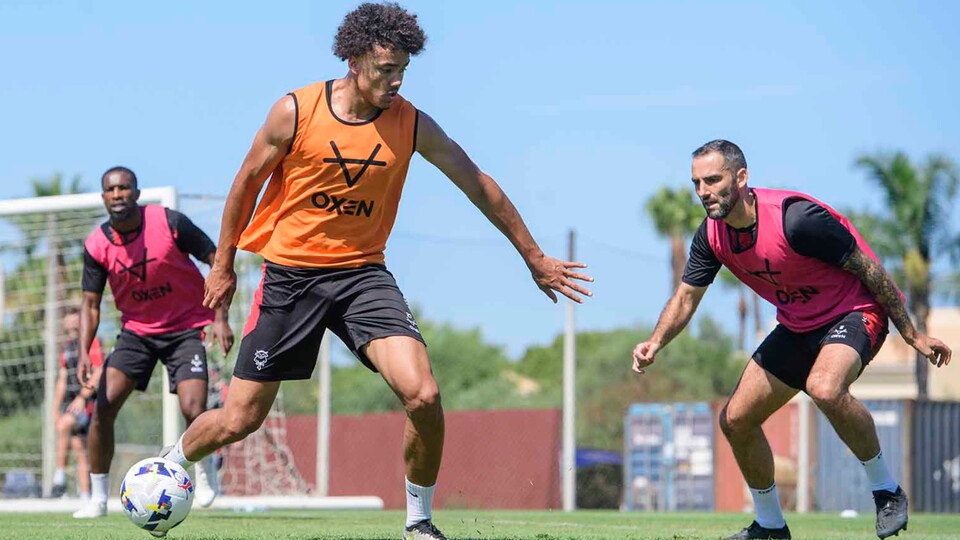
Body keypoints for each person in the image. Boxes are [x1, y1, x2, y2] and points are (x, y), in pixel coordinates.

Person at [157, 4, 592, 539]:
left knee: (424, 396)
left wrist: (534, 256)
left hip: (364, 277)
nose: (396, 80)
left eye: (403, 69)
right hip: (291, 277)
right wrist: (223, 263)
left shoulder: (410, 123)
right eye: (386, 69)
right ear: (353, 58)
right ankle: (170, 463)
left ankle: (418, 521)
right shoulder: (295, 111)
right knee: (240, 418)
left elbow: (477, 183)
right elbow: (246, 182)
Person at [631, 140, 951, 540]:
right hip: (799, 326)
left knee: (825, 388)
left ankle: (886, 491)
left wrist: (911, 332)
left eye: (713, 180)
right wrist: (655, 341)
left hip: (854, 312)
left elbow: (870, 269)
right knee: (736, 420)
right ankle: (769, 526)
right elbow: (685, 298)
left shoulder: (796, 220)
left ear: (741, 177)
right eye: (696, 183)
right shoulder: (712, 236)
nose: (703, 192)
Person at [73, 166, 234, 518]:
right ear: (104, 197)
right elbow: (90, 304)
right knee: (103, 406)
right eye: (111, 190)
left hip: (186, 328)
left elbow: (217, 261)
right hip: (137, 333)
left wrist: (220, 317)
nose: (118, 195)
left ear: (137, 192)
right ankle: (97, 498)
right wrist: (85, 351)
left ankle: (204, 474)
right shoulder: (96, 244)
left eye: (124, 188)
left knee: (194, 408)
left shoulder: (170, 221)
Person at [50, 307, 104, 499]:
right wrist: (56, 409)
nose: (72, 323)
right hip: (71, 404)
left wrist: (83, 397)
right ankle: (85, 495)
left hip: (88, 403)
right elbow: (62, 379)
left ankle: (59, 478)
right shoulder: (67, 348)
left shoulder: (92, 342)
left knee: (66, 426)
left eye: (75, 319)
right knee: (80, 448)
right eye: (68, 320)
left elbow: (98, 371)